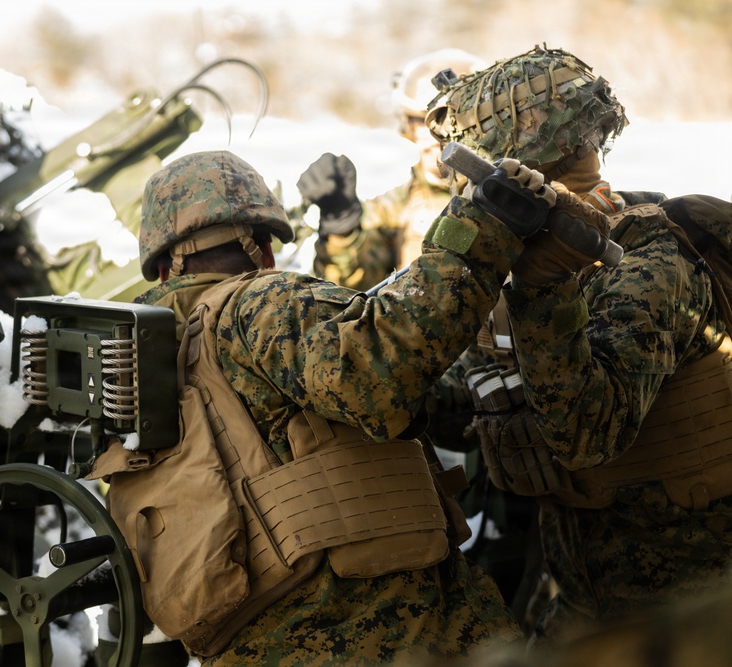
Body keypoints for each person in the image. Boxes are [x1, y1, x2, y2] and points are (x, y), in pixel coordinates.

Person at [93, 147, 611, 665]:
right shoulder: (259, 301)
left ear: (163, 267)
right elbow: (377, 375)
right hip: (381, 630)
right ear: (260, 248)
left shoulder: (146, 362)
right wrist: (484, 229)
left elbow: (412, 401)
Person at [425, 44, 732, 647]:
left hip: (698, 614)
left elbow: (589, 431)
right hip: (589, 605)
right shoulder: (525, 265)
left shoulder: (652, 258)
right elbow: (451, 403)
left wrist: (540, 289)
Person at [295, 48, 485, 291]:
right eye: (418, 123)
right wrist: (341, 228)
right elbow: (347, 291)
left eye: (443, 123)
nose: (428, 138)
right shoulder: (394, 208)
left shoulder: (515, 190)